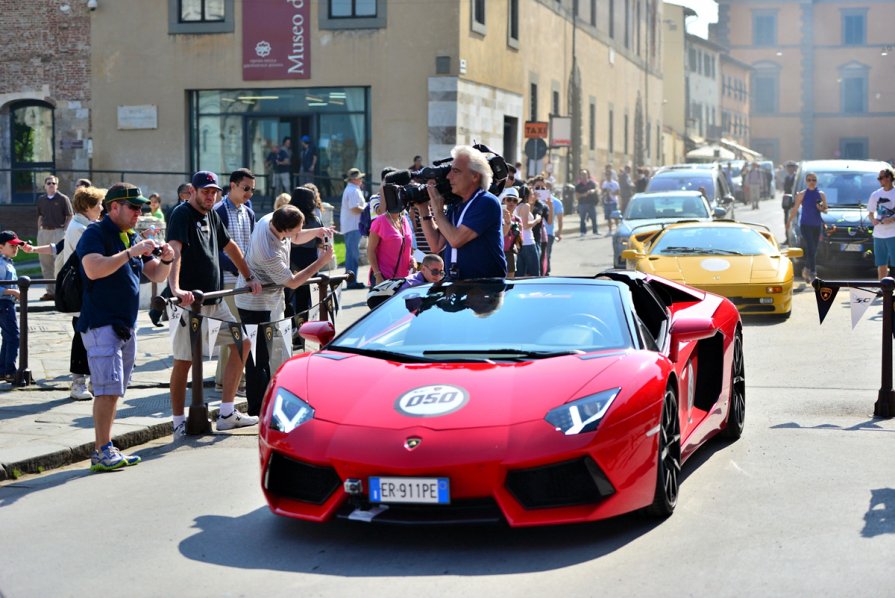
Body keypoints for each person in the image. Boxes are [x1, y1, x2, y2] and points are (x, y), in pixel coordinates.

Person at [77, 183, 174, 471]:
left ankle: (105, 446)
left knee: (114, 389)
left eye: (141, 207)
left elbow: (155, 272)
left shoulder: (129, 235)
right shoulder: (96, 232)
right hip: (101, 323)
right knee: (106, 390)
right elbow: (93, 269)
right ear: (114, 207)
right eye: (134, 207)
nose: (139, 212)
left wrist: (167, 258)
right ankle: (102, 449)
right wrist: (129, 253)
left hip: (124, 326)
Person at [166, 170, 261, 437]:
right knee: (183, 361)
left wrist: (249, 275)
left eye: (213, 192)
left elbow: (231, 247)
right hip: (189, 302)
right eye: (205, 191)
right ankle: (177, 422)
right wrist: (175, 287)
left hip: (214, 298)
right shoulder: (181, 214)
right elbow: (174, 250)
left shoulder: (212, 215)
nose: (210, 196)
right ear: (193, 191)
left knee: (242, 342)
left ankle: (227, 412)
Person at [235, 205, 333, 416]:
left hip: (270, 302)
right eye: (297, 228)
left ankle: (270, 401)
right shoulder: (269, 252)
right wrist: (321, 262)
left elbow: (295, 238)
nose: (299, 232)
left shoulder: (271, 219)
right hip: (255, 304)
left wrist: (317, 232)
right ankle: (257, 409)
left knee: (272, 355)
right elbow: (293, 282)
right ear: (285, 230)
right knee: (258, 360)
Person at [419, 145, 507, 280]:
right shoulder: (457, 205)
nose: (448, 176)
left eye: (456, 171)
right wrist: (423, 207)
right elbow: (435, 244)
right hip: (458, 284)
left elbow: (455, 240)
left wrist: (438, 210)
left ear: (475, 176)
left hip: (484, 289)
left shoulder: (486, 202)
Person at [212, 168, 256, 396]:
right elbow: (214, 251)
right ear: (233, 186)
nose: (249, 193)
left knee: (237, 332)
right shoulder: (219, 211)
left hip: (244, 280)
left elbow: (251, 246)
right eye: (245, 188)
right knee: (235, 331)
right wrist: (240, 267)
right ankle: (230, 382)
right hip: (228, 280)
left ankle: (225, 380)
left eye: (252, 190)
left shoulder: (248, 213)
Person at [63, 186, 105, 400]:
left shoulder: (85, 225)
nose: (101, 208)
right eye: (98, 204)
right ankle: (78, 383)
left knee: (91, 335)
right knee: (81, 335)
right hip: (82, 290)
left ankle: (93, 380)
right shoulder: (80, 228)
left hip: (89, 289)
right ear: (87, 206)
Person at [287, 186, 325, 347]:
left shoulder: (287, 217)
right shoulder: (315, 220)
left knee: (287, 299)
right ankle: (302, 335)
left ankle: (289, 330)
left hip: (290, 260)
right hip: (309, 263)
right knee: (305, 302)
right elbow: (320, 243)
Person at [36, 175, 73, 301]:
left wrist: (65, 230)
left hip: (58, 231)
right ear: (45, 186)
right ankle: (50, 292)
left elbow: (70, 215)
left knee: (59, 263)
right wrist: (39, 229)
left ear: (57, 185)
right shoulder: (41, 199)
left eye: (53, 183)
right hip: (44, 232)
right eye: (48, 183)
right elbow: (40, 215)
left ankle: (61, 291)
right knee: (45, 264)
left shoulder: (63, 198)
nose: (51, 185)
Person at [786, 172, 827, 282]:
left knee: (814, 249)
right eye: (809, 180)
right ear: (806, 181)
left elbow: (826, 209)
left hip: (817, 224)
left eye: (813, 180)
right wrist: (789, 221)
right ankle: (813, 272)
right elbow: (795, 209)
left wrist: (821, 208)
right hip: (805, 224)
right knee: (811, 247)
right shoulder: (802, 194)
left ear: (816, 181)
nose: (811, 182)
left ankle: (806, 269)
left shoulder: (821, 194)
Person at [368, 191, 413, 287]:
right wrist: (378, 275)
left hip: (404, 279)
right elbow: (370, 250)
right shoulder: (379, 221)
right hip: (384, 278)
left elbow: (406, 247)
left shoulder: (404, 221)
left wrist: (412, 259)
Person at [0, 231, 25, 383]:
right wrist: (13, 291)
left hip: (7, 303)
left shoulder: (7, 262)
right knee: (14, 337)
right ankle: (9, 371)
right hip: (4, 304)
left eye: (17, 246)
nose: (15, 248)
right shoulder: (1, 264)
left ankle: (3, 369)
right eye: (12, 246)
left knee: (8, 337)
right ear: (0, 247)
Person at [340, 167, 367, 289]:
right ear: (355, 179)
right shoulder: (353, 190)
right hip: (353, 226)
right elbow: (355, 208)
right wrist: (368, 210)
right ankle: (351, 281)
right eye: (360, 178)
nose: (362, 180)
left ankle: (351, 280)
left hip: (351, 225)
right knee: (352, 255)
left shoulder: (352, 189)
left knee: (351, 254)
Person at [868, 169, 895, 280]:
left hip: (893, 234)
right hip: (878, 235)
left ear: (888, 178)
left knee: (894, 264)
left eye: (881, 178)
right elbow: (870, 213)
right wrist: (873, 220)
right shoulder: (876, 194)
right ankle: (882, 288)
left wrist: (892, 219)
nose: (879, 180)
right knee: (881, 264)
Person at [537, 177, 563, 275]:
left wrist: (559, 232)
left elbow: (560, 219)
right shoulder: (533, 200)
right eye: (538, 188)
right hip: (536, 233)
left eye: (544, 188)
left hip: (548, 233)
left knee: (546, 256)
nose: (541, 190)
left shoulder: (556, 202)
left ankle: (546, 273)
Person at [500, 187, 522, 278]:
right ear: (504, 201)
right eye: (509, 199)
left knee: (510, 284)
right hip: (499, 253)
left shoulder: (517, 219)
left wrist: (518, 234)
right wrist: (508, 223)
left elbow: (519, 243)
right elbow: (503, 234)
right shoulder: (497, 217)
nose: (511, 203)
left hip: (510, 254)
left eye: (515, 200)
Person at [575, 169, 598, 236]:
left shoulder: (591, 183)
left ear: (587, 175)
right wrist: (584, 194)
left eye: (585, 174)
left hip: (591, 203)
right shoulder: (578, 186)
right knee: (582, 218)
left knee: (594, 217)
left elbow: (596, 189)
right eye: (582, 175)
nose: (584, 176)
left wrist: (593, 191)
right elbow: (577, 196)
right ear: (580, 176)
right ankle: (583, 231)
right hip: (582, 204)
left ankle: (595, 231)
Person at [601, 169, 620, 234]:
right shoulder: (604, 183)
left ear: (611, 175)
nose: (608, 176)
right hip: (607, 201)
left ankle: (618, 229)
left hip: (613, 202)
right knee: (608, 217)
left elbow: (618, 192)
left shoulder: (615, 183)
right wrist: (605, 193)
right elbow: (602, 192)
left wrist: (611, 192)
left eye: (609, 175)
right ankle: (610, 230)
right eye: (606, 175)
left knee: (615, 216)